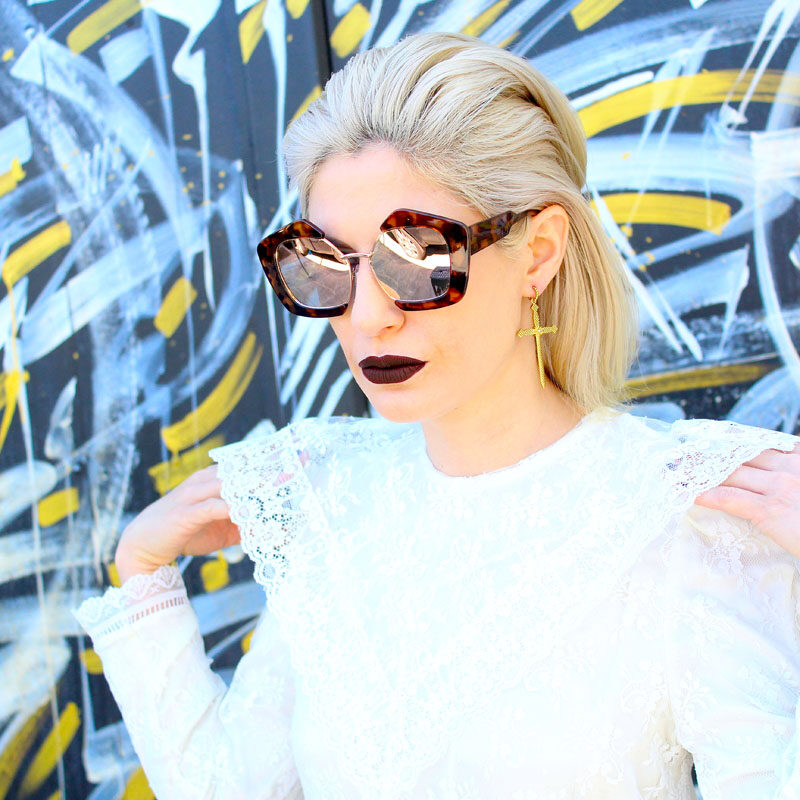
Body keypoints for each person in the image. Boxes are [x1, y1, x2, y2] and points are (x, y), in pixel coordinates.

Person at [73, 32, 800, 799]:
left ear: (538, 253)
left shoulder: (688, 518)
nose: (367, 318)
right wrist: (142, 574)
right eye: (324, 264)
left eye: (418, 257)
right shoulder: (328, 505)